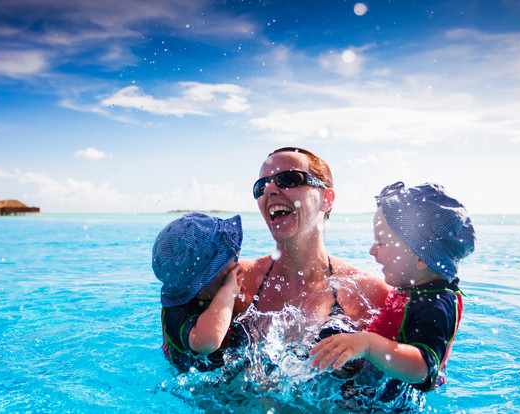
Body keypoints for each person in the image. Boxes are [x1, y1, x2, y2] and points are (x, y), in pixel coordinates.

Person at [309, 181, 476, 392]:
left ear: (421, 257)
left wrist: (367, 344)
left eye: (382, 242)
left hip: (381, 403)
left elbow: (424, 369)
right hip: (371, 380)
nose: (372, 250)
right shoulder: (417, 289)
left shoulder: (434, 305)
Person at [235, 147, 390, 330]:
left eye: (288, 179)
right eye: (260, 187)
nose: (268, 190)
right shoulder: (238, 280)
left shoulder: (372, 294)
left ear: (326, 199)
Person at [152, 212, 244, 373]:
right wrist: (228, 291)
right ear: (207, 278)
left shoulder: (202, 290)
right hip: (200, 390)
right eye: (229, 256)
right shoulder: (175, 313)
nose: (237, 254)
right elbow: (208, 341)